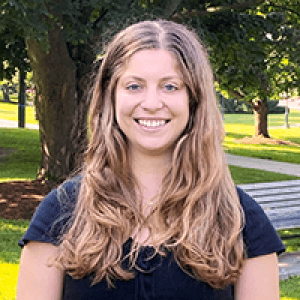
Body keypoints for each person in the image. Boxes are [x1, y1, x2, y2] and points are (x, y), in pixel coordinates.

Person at [17, 20, 285, 300]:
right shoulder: (61, 214)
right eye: (134, 86)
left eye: (170, 86)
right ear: (111, 94)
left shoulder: (239, 221)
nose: (152, 103)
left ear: (194, 99)